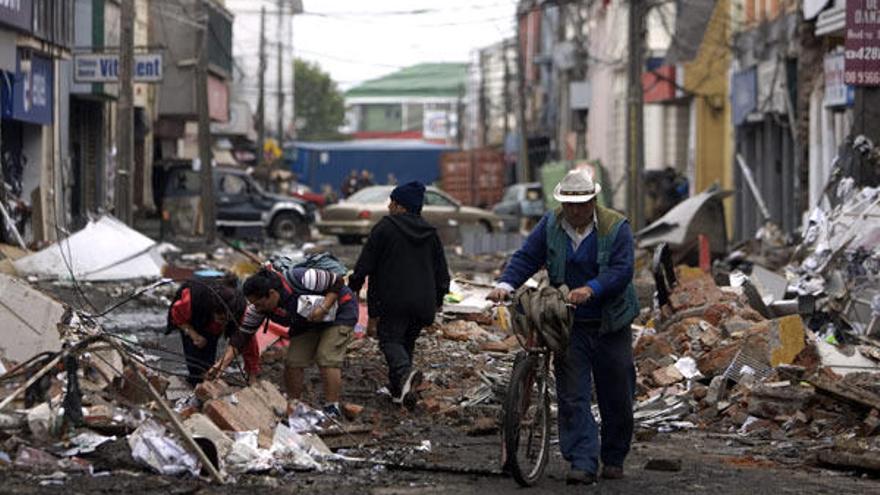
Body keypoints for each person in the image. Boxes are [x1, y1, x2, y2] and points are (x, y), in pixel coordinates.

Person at [487, 170, 639, 484]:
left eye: (581, 204)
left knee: (617, 395)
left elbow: (621, 271)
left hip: (610, 324)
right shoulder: (551, 224)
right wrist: (505, 283)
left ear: (593, 201)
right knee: (572, 396)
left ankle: (613, 457)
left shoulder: (616, 227)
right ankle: (582, 461)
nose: (574, 211)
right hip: (570, 325)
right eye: (569, 204)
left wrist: (592, 288)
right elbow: (527, 257)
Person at [348, 181, 450, 409]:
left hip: (392, 299)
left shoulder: (385, 227)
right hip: (423, 301)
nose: (389, 206)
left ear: (401, 206)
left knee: (390, 340)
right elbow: (441, 270)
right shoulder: (430, 233)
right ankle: (400, 392)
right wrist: (440, 298)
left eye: (392, 202)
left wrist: (353, 285)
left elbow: (366, 262)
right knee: (406, 342)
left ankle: (405, 375)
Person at [208, 265, 358, 419]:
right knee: (293, 361)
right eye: (254, 304)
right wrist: (221, 365)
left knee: (326, 357)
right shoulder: (258, 309)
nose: (257, 308)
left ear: (272, 294)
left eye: (259, 304)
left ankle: (331, 407)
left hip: (339, 312)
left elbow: (337, 280)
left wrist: (324, 307)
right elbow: (242, 336)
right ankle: (294, 406)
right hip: (307, 322)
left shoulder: (302, 277)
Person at [167, 276, 260, 386]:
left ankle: (206, 381)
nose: (223, 323)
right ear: (213, 310)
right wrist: (194, 335)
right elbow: (177, 316)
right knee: (195, 364)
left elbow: (248, 341)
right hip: (193, 320)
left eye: (226, 319)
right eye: (220, 318)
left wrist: (252, 374)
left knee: (208, 363)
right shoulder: (192, 299)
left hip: (212, 326)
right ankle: (196, 383)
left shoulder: (240, 309)